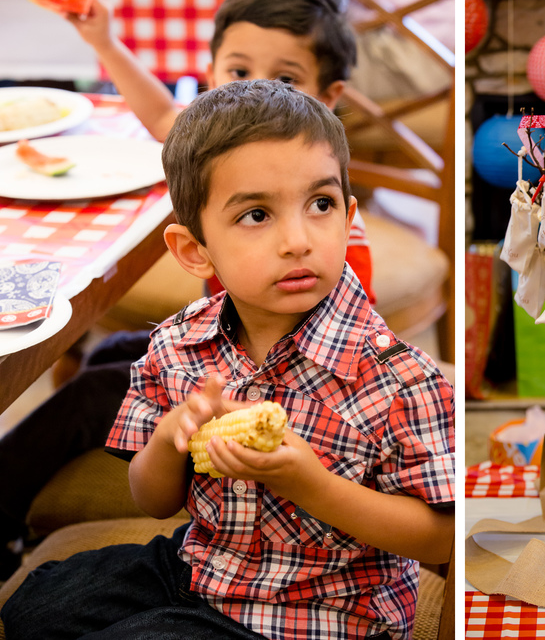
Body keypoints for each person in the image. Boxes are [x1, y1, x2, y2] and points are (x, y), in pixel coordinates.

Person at [0, 79, 455, 640]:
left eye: (320, 204)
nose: (297, 240)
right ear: (195, 250)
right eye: (257, 215)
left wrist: (312, 486)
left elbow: (440, 537)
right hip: (207, 564)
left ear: (348, 215)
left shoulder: (401, 378)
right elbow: (154, 501)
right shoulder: (178, 346)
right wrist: (171, 439)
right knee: (33, 608)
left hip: (326, 609)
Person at [65, 0, 374, 298]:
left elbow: (356, 328)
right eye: (239, 72)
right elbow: (159, 116)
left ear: (328, 95)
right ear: (211, 77)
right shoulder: (220, 138)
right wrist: (105, 43)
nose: (256, 88)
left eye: (285, 78)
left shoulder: (332, 241)